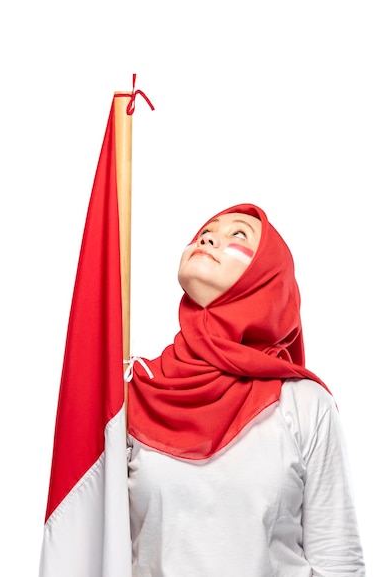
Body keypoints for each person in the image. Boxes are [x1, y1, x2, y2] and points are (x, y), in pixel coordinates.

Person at [126, 203, 365, 576]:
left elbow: (337, 561)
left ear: (267, 278)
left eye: (239, 235)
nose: (208, 236)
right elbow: (93, 543)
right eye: (207, 231)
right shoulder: (134, 391)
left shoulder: (304, 403)